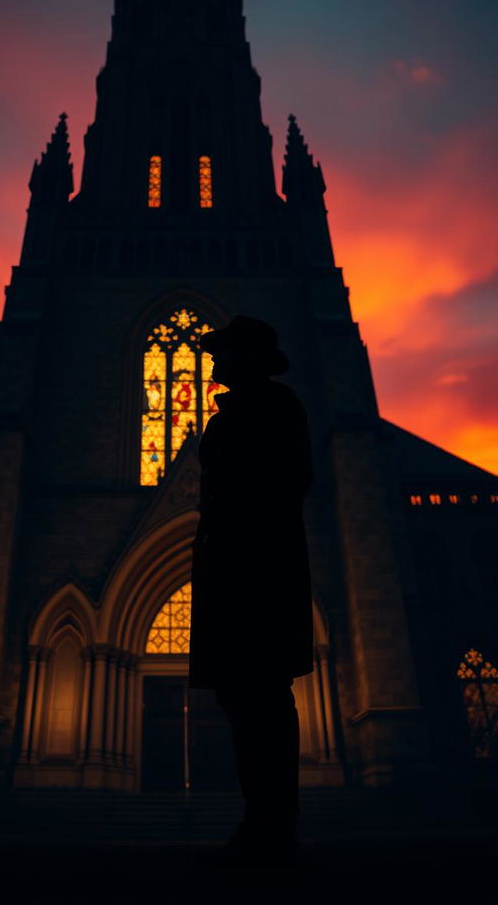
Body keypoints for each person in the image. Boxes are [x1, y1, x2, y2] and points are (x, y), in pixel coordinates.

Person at [189, 315, 314, 867]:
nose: (213, 362)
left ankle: (274, 824)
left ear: (248, 357)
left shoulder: (275, 406)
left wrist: (236, 512)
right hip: (229, 566)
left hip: (259, 568)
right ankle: (258, 818)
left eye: (223, 352)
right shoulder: (231, 413)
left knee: (262, 693)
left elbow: (288, 479)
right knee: (240, 696)